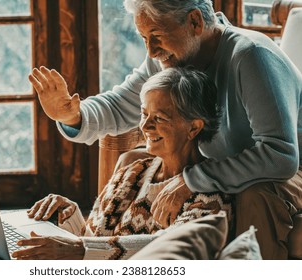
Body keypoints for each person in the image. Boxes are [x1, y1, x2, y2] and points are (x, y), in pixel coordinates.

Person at [28, 0, 302, 259]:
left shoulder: (251, 56)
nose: (151, 50)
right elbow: (122, 104)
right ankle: (104, 243)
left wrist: (192, 179)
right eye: (144, 38)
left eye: (156, 36)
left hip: (287, 167)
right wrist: (73, 115)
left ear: (194, 21)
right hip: (228, 161)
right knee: (133, 161)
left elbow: (280, 155)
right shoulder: (170, 54)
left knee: (255, 196)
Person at [12, 67, 233, 260]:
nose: (145, 126)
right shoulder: (133, 172)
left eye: (159, 118)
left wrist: (81, 250)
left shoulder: (210, 195)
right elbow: (94, 242)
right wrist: (70, 216)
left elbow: (167, 249)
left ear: (193, 128)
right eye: (144, 114)